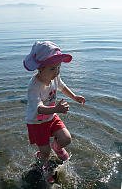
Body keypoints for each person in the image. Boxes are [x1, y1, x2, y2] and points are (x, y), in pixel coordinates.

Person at [23, 41, 85, 182]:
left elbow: (62, 87)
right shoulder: (34, 86)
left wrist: (74, 96)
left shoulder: (54, 77)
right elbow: (38, 108)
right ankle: (40, 166)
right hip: (36, 122)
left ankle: (57, 148)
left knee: (66, 138)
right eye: (53, 68)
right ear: (40, 68)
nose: (57, 71)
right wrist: (56, 108)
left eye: (58, 67)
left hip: (51, 117)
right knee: (45, 152)